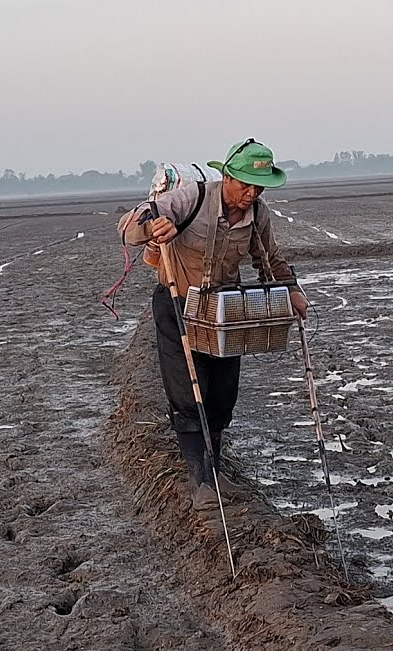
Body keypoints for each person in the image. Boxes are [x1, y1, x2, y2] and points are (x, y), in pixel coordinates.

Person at [117, 139, 309, 512]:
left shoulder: (258, 215)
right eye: (244, 185)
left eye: (258, 187)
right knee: (190, 392)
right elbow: (130, 224)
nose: (250, 193)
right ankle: (199, 480)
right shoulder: (192, 199)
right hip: (179, 303)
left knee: (222, 393)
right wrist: (156, 225)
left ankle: (215, 472)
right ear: (226, 176)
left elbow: (268, 258)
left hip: (224, 309)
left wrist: (292, 291)